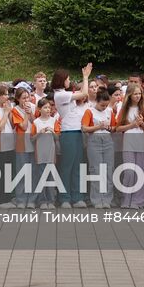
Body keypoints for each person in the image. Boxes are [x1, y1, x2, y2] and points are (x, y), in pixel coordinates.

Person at [52, 65, 91, 207]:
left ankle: (77, 197)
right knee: (67, 166)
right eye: (67, 79)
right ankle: (64, 198)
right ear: (62, 80)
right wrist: (85, 77)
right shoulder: (60, 94)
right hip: (68, 133)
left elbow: (82, 94)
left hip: (77, 131)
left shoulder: (65, 93)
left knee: (77, 166)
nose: (69, 81)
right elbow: (84, 94)